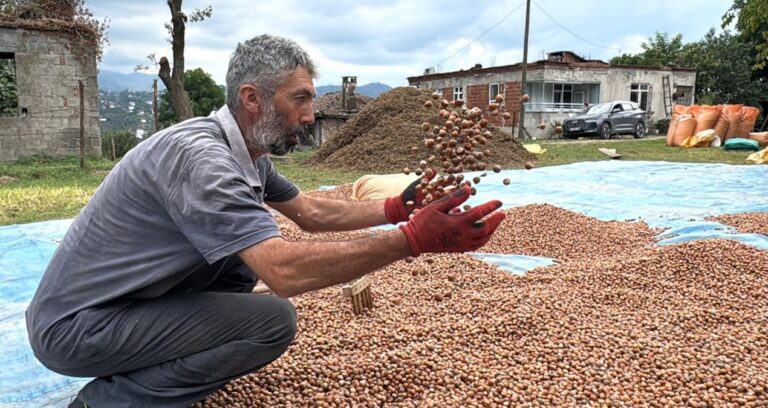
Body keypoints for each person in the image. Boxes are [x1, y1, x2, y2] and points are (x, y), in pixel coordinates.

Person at [26, 34, 505, 408]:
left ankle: (154, 368)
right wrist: (412, 240)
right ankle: (111, 401)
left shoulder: (248, 155)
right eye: (299, 99)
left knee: (239, 265)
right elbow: (285, 272)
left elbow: (313, 212)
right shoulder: (204, 160)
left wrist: (399, 206)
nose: (310, 115)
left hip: (121, 306)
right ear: (252, 98)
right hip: (77, 327)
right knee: (272, 319)